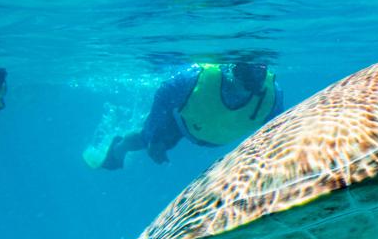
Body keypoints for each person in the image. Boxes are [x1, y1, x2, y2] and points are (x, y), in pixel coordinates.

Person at [94, 62, 283, 169]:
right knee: (149, 139)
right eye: (243, 70)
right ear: (231, 67)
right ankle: (119, 148)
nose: (249, 80)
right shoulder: (194, 78)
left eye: (257, 72)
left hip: (210, 132)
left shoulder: (272, 96)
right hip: (183, 123)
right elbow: (165, 93)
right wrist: (154, 137)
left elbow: (276, 132)